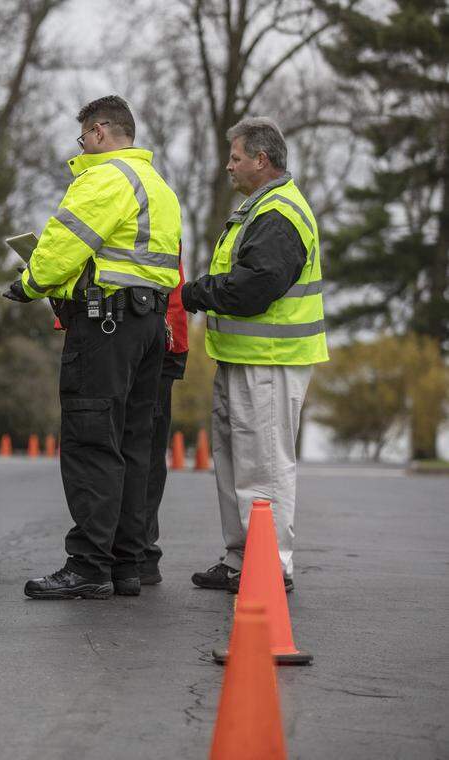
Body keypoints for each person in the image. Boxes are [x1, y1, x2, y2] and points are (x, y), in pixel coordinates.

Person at [4, 95, 182, 600]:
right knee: (132, 445)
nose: (81, 146)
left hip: (106, 328)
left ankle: (87, 566)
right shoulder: (159, 186)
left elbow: (63, 246)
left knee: (91, 442)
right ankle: (128, 565)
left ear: (101, 131)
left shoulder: (105, 178)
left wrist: (29, 282)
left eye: (83, 137)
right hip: (149, 326)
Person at [182, 117, 328, 593]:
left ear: (261, 160)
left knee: (263, 466)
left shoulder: (278, 213)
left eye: (236, 157)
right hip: (247, 357)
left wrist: (195, 294)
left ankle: (270, 565)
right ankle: (241, 558)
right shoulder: (259, 208)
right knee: (235, 464)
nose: (229, 166)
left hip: (270, 360)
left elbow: (255, 287)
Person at [142, 258, 189, 585]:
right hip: (162, 334)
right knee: (146, 450)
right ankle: (140, 553)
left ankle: (137, 552)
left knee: (139, 449)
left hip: (149, 335)